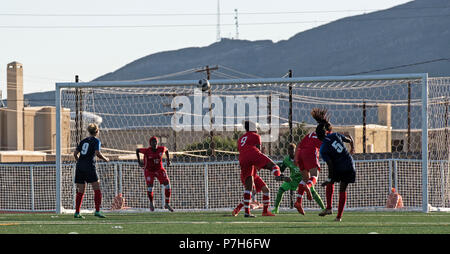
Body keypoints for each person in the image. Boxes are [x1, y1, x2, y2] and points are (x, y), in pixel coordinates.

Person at [233, 120, 290, 217]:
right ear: (253, 128)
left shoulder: (241, 139)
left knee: (250, 189)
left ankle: (248, 212)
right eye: (255, 126)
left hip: (242, 159)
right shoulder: (255, 136)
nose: (257, 128)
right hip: (252, 155)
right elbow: (257, 150)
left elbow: (243, 151)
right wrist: (260, 162)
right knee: (274, 166)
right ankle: (278, 175)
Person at [293, 108, 332, 215]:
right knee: (315, 175)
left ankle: (298, 202)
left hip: (301, 153)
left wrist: (296, 158)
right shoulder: (326, 135)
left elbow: (299, 145)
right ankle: (308, 186)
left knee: (305, 178)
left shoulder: (310, 134)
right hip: (310, 152)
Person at [317, 117, 355, 221]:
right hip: (349, 164)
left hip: (339, 166)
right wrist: (352, 148)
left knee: (332, 183)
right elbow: (349, 139)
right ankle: (337, 216)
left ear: (318, 137)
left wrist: (330, 178)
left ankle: (331, 209)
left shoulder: (323, 148)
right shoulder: (334, 135)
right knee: (342, 189)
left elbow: (330, 165)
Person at [272, 143, 325, 214]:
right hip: (293, 180)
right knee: (281, 189)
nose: (291, 152)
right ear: (288, 151)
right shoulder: (286, 160)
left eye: (292, 150)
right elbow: (281, 170)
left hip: (304, 178)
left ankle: (323, 208)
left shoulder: (301, 157)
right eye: (289, 150)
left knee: (313, 192)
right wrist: (283, 177)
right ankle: (276, 208)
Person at [73, 123, 109, 219]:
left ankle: (77, 212)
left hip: (80, 167)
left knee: (81, 190)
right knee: (97, 188)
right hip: (89, 166)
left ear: (89, 131)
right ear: (97, 131)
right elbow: (97, 153)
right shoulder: (96, 141)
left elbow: (75, 154)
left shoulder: (83, 141)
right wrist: (106, 159)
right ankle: (97, 211)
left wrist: (80, 162)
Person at [136, 136, 173, 212]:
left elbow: (167, 150)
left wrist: (168, 160)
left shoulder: (161, 149)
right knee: (150, 187)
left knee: (167, 184)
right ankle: (151, 202)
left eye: (156, 142)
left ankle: (167, 203)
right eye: (153, 142)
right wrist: (139, 162)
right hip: (149, 171)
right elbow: (137, 150)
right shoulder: (147, 151)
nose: (155, 143)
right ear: (150, 143)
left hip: (159, 169)